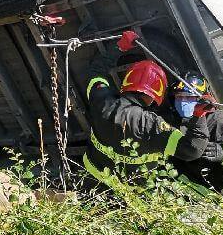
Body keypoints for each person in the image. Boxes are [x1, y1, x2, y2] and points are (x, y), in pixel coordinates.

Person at [84, 32, 210, 191]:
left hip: (93, 174)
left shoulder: (101, 100)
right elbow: (192, 150)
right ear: (156, 95)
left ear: (126, 81)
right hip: (130, 191)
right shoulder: (151, 125)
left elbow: (96, 72)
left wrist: (119, 47)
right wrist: (199, 116)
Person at [167, 71, 223, 199]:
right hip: (187, 183)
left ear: (202, 99)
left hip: (220, 191)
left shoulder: (219, 121)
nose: (183, 102)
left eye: (189, 98)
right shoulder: (174, 119)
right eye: (179, 97)